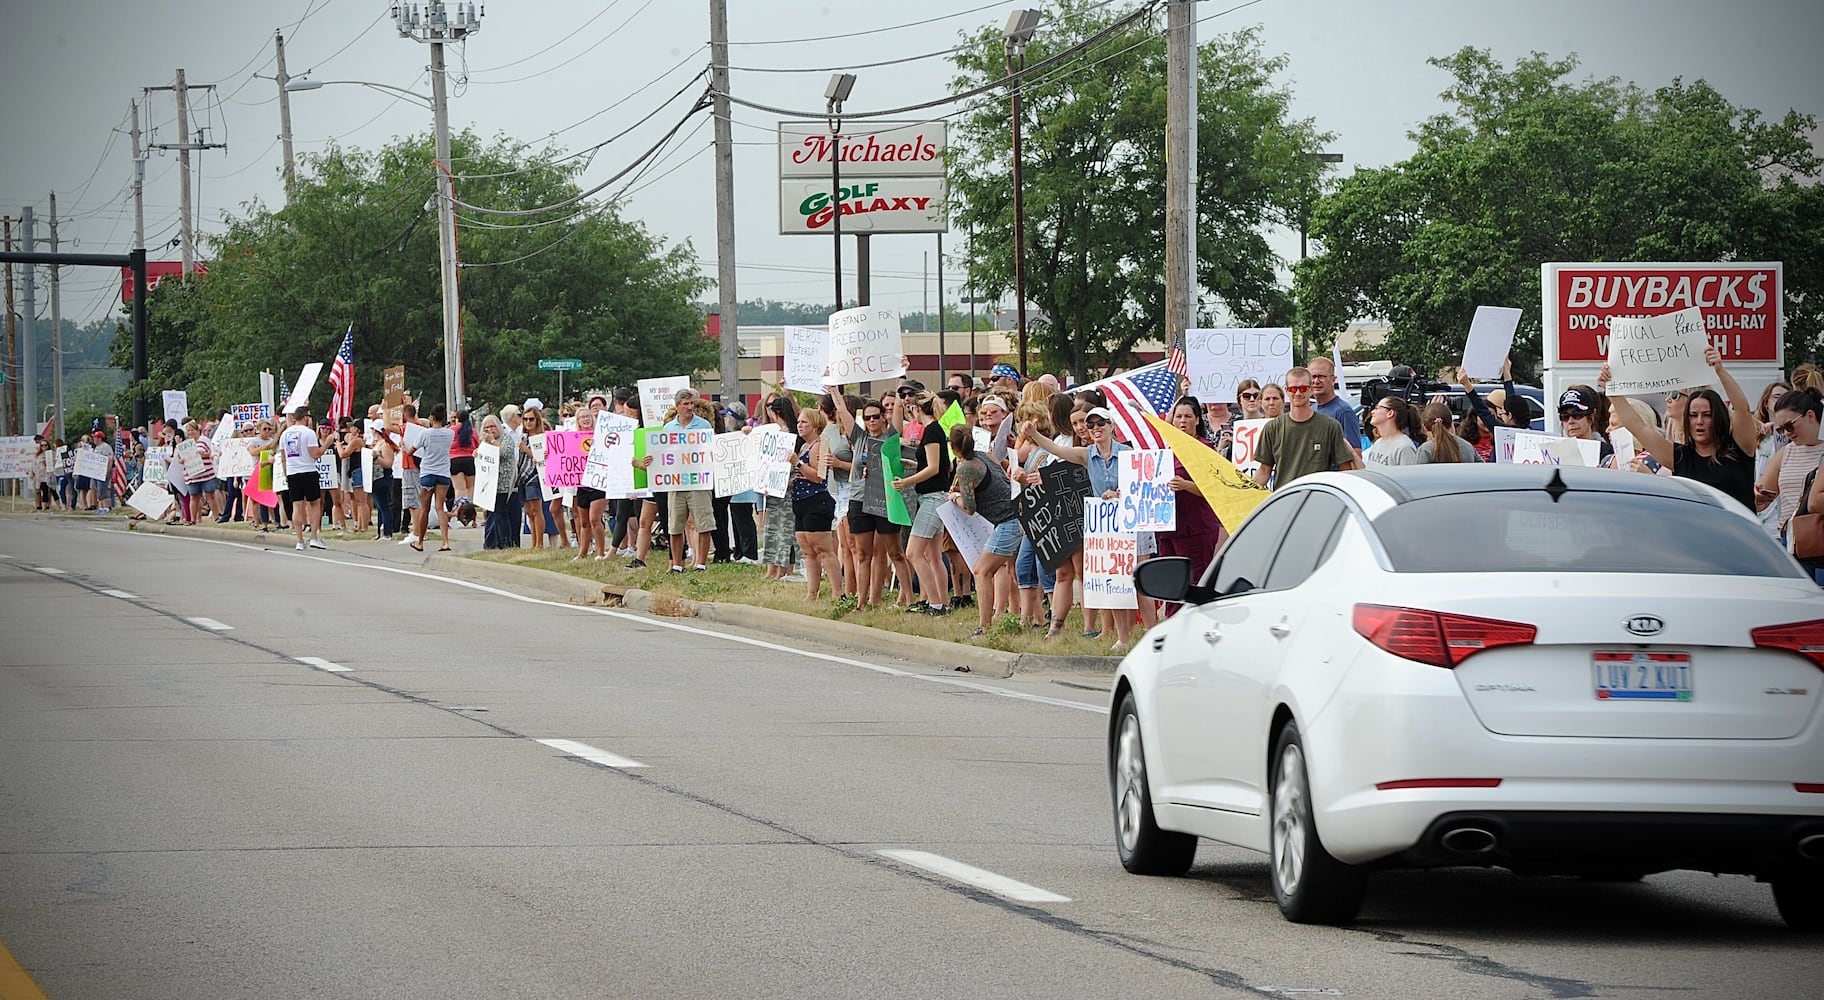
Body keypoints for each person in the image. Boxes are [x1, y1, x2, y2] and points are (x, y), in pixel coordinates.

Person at [1598, 348, 1757, 509]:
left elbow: (1742, 409)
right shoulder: (1680, 457)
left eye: (1707, 414)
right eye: (1693, 415)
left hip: (1739, 533)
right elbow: (1638, 426)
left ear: (1718, 417)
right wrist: (1612, 388)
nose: (1699, 421)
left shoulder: (1739, 448)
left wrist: (1720, 371)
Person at [828, 389, 913, 612]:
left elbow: (898, 407)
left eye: (876, 416)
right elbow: (842, 411)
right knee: (862, 553)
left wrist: (900, 377)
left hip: (885, 499)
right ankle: (861, 602)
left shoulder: (891, 437)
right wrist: (833, 390)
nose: (872, 420)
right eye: (868, 417)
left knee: (895, 552)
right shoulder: (859, 437)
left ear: (884, 416)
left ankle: (910, 600)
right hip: (859, 499)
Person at [950, 423, 1020, 639]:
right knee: (1016, 571)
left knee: (982, 571)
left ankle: (984, 626)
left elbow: (969, 508)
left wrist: (956, 497)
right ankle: (1025, 617)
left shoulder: (966, 468)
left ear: (953, 448)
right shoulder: (986, 456)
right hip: (1018, 513)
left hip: (1008, 521)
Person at [892, 391, 954, 616]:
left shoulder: (931, 431)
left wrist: (906, 482)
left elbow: (934, 467)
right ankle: (942, 601)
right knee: (932, 555)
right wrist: (911, 463)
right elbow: (932, 463)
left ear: (917, 409)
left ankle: (935, 603)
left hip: (932, 497)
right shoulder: (936, 430)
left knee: (914, 553)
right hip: (935, 496)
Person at [1252, 367, 1359, 488]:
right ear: (1287, 391)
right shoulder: (1272, 428)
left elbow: (1345, 470)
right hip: (1284, 500)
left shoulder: (1331, 427)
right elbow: (1264, 471)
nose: (1298, 393)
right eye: (1293, 389)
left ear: (1311, 390)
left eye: (1303, 388)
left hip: (1317, 500)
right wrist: (1247, 495)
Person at [1755, 388, 1824, 542]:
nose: (1786, 433)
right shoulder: (1784, 454)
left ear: (1810, 416)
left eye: (1789, 426)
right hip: (1792, 538)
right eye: (1781, 429)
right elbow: (1762, 499)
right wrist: (1758, 498)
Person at [790, 408, 839, 601]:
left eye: (804, 423)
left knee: (824, 550)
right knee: (807, 551)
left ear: (816, 425)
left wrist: (798, 463)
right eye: (799, 422)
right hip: (800, 500)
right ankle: (812, 592)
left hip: (816, 500)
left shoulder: (821, 444)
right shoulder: (804, 446)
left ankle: (837, 592)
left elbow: (819, 476)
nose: (800, 426)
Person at [758, 394, 800, 581]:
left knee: (781, 530)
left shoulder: (790, 435)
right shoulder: (778, 433)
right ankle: (773, 569)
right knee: (776, 528)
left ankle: (781, 570)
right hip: (775, 487)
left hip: (786, 487)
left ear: (775, 413)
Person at [406, 403, 455, 552]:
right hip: (443, 472)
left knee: (425, 509)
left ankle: (420, 541)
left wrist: (403, 447)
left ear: (432, 418)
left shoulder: (425, 434)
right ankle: (445, 541)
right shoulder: (449, 433)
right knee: (440, 508)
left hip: (428, 472)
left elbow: (411, 451)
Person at [278, 407, 328, 551]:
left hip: (293, 472)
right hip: (308, 470)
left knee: (297, 506)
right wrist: (326, 444)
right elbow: (315, 454)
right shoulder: (309, 433)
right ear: (305, 417)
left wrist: (286, 474)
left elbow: (283, 458)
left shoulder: (285, 434)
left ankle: (299, 540)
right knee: (314, 504)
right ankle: (313, 536)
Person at [1307, 355, 1363, 463]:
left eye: (1321, 376)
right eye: (1313, 377)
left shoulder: (1343, 411)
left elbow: (1356, 454)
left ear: (1333, 380)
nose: (1316, 381)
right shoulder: (1311, 409)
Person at [570, 408, 608, 561]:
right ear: (577, 421)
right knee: (584, 522)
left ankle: (600, 551)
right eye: (581, 417)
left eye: (587, 416)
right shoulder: (573, 439)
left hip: (598, 482)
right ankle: (582, 552)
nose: (585, 419)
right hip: (582, 484)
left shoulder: (601, 436)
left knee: (594, 519)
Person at [1555, 387, 1616, 466]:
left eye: (1577, 415)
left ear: (1591, 416)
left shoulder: (1606, 452)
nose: (1570, 421)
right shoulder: (1555, 451)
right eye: (1565, 416)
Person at [1365, 398, 1422, 466]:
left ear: (1390, 413)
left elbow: (1408, 475)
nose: (1372, 412)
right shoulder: (1378, 443)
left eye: (1377, 408)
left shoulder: (1404, 447)